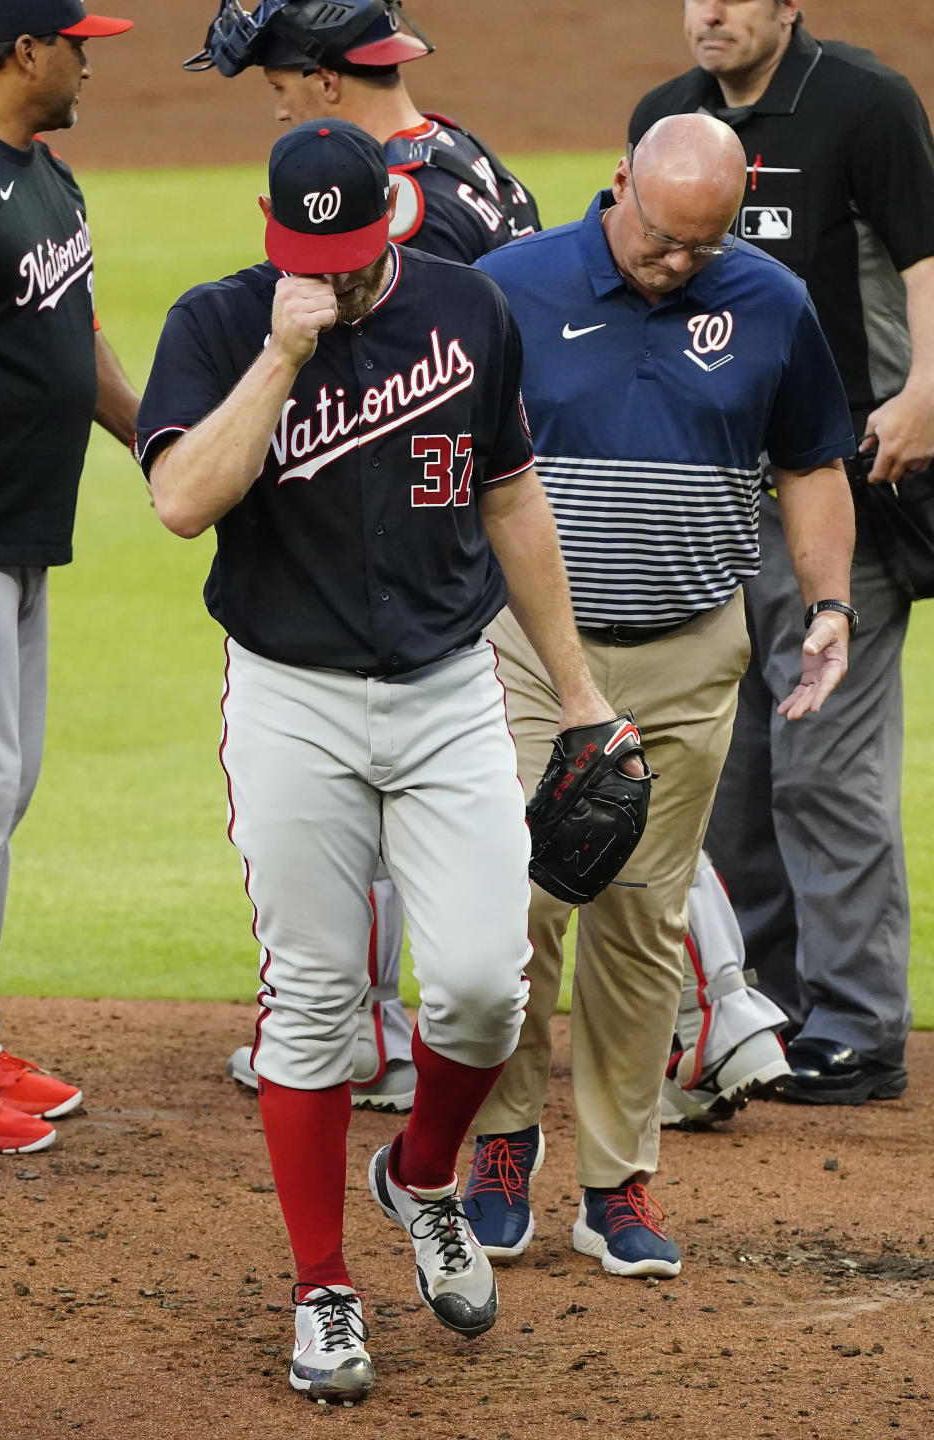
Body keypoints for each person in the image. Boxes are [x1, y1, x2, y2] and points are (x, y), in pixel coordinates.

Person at [135, 117, 619, 1405]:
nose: (340, 279)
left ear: (395, 216)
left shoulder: (468, 310)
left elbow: (512, 492)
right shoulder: (220, 322)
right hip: (290, 697)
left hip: (449, 688)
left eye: (354, 257)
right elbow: (184, 501)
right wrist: (286, 353)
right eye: (314, 257)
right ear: (270, 225)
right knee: (312, 1005)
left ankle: (421, 1175)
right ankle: (323, 1290)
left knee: (480, 986)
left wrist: (578, 696)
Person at [462, 113, 857, 1275]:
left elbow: (811, 464)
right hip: (532, 649)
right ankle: (499, 1142)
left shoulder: (772, 299)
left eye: (702, 246)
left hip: (690, 654)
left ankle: (617, 1179)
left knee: (643, 918)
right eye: (660, 237)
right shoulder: (509, 286)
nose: (676, 263)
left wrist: (829, 605)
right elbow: (451, 459)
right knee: (516, 909)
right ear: (619, 180)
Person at [187, 0, 540, 1112]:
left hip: (467, 505)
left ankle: (373, 1030)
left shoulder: (409, 219)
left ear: (325, 78)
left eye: (278, 83)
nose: (277, 103)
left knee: (465, 793)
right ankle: (711, 1002)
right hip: (509, 483)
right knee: (581, 766)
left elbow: (402, 416)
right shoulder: (466, 155)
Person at [630, 0, 934, 1104]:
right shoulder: (666, 121)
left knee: (824, 765)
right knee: (734, 771)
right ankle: (748, 1008)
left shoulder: (864, 104)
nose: (707, 11)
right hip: (713, 496)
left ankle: (854, 1022)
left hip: (846, 487)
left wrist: (926, 393)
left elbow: (926, 262)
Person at [0, 0, 138, 1158]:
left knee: (5, 788)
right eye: (77, 41)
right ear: (25, 52)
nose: (90, 60)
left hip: (25, 532)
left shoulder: (48, 182)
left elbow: (73, 340)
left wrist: (160, 439)